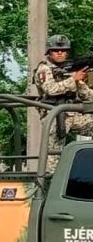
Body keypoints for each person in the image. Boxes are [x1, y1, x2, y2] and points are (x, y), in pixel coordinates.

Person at [32, 34, 93, 169]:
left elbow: (86, 94)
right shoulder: (44, 69)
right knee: (53, 158)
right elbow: (51, 89)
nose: (60, 53)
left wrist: (79, 80)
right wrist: (73, 79)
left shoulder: (68, 70)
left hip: (72, 114)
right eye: (56, 50)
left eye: (64, 50)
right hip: (53, 115)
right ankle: (48, 185)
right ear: (48, 52)